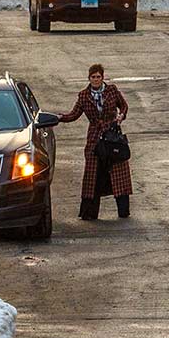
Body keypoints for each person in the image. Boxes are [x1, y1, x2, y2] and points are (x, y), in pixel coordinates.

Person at [58, 63, 131, 220]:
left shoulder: (112, 90)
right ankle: (89, 213)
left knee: (118, 169)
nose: (96, 80)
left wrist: (121, 116)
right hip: (94, 138)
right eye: (93, 77)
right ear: (89, 78)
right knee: (92, 173)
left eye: (98, 77)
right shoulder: (84, 96)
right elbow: (73, 115)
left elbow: (124, 106)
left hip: (112, 135)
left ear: (103, 77)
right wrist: (59, 118)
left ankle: (123, 210)